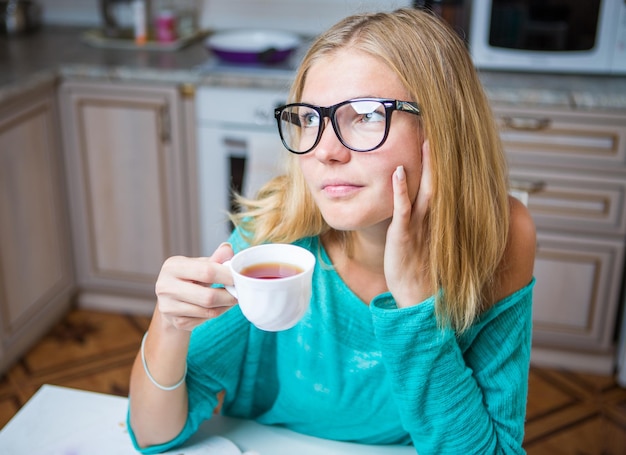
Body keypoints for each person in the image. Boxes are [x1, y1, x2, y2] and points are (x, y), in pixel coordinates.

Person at [127, 7, 536, 454]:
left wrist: (416, 308)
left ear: (442, 127)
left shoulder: (501, 235)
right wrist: (169, 326)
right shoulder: (276, 231)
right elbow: (152, 434)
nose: (325, 151)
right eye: (310, 119)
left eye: (365, 115)